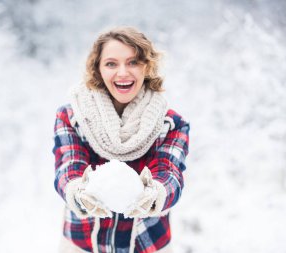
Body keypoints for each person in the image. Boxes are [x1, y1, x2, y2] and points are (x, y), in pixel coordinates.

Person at [53, 26, 190, 253]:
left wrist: (155, 193)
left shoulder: (170, 123)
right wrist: (78, 192)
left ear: (147, 66)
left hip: (146, 243)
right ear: (98, 69)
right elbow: (69, 166)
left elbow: (169, 173)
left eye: (133, 62)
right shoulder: (72, 117)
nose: (123, 72)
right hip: (83, 244)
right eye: (111, 63)